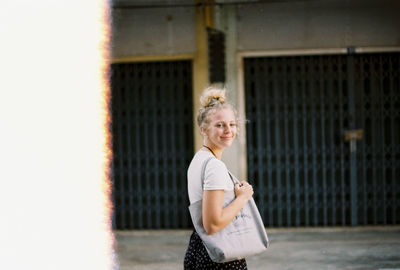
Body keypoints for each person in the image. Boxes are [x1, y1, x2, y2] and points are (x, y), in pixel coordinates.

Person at [184, 87, 254, 269]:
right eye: (219, 125)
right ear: (204, 130)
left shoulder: (199, 158)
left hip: (200, 249)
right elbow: (213, 224)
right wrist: (243, 197)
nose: (228, 130)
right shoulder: (214, 166)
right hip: (218, 257)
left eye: (231, 124)